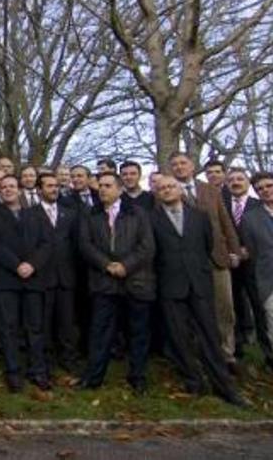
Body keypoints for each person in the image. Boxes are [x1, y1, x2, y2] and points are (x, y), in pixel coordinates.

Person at [149, 175, 246, 406]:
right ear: (157, 193)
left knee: (210, 336)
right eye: (162, 188)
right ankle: (194, 380)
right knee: (179, 337)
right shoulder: (150, 219)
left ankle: (224, 385)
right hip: (170, 285)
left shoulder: (200, 218)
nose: (167, 190)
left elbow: (207, 245)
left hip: (199, 283)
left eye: (171, 186)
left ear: (180, 190)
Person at [77, 172, 155, 394]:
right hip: (104, 282)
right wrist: (107, 265)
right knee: (100, 332)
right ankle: (94, 377)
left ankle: (138, 377)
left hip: (136, 281)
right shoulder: (90, 215)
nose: (102, 189)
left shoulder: (138, 214)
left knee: (138, 332)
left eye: (108, 185)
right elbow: (85, 245)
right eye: (100, 185)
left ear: (120, 189)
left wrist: (125, 266)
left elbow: (147, 246)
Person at [169, 151, 242, 374]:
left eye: (183, 163)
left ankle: (226, 354)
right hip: (188, 262)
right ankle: (198, 355)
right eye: (175, 165)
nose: (179, 167)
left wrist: (234, 249)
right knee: (195, 310)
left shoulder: (210, 190)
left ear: (192, 166)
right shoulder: (167, 191)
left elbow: (225, 221)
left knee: (224, 308)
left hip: (216, 259)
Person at [0, 175, 52, 392]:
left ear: (20, 190)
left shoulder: (36, 215)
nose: (7, 190)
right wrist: (16, 265)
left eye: (12, 186)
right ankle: (13, 372)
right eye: (3, 187)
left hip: (33, 278)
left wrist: (32, 264)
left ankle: (38, 370)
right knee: (8, 328)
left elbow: (47, 244)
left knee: (35, 327)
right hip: (5, 279)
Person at [36, 172, 80, 374]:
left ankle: (69, 358)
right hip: (42, 276)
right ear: (39, 190)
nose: (54, 189)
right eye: (49, 186)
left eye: (56, 186)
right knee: (43, 321)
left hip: (66, 276)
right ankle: (45, 359)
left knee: (67, 321)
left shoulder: (69, 213)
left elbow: (76, 244)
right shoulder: (30, 215)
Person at [238, 172, 273, 370]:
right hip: (268, 280)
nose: (265, 190)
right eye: (260, 189)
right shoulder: (251, 218)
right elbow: (250, 251)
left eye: (269, 185)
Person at [225, 167, 261, 359]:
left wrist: (249, 250)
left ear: (247, 183)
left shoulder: (259, 205)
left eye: (240, 179)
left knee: (259, 305)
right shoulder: (222, 204)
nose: (236, 182)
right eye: (231, 180)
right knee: (234, 305)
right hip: (231, 264)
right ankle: (237, 345)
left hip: (256, 265)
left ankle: (265, 346)